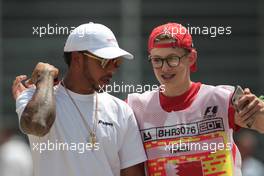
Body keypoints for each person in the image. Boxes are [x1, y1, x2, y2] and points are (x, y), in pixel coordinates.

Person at [126, 22, 264, 176]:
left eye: (172, 59)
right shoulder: (136, 106)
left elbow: (260, 122)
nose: (164, 68)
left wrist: (259, 109)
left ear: (191, 58)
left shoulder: (221, 99)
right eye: (157, 60)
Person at [13, 22, 146, 176]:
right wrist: (46, 77)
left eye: (117, 62)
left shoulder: (121, 110)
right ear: (77, 58)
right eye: (105, 61)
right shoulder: (33, 97)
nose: (112, 69)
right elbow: (36, 125)